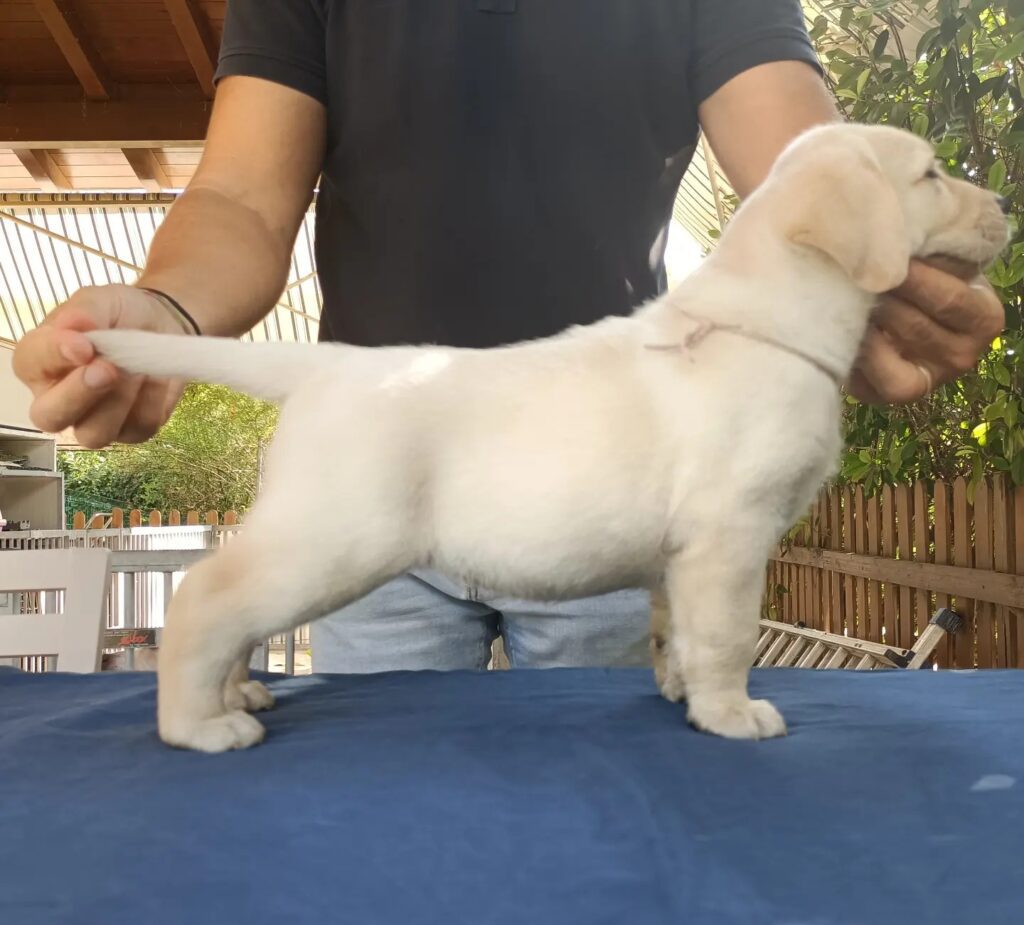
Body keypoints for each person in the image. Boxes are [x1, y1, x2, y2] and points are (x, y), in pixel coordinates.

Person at [12, 1, 1004, 674]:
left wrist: (867, 262)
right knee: (383, 829)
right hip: (379, 482)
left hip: (610, 493)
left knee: (601, 820)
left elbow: (799, 162)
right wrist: (171, 310)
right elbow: (237, 195)